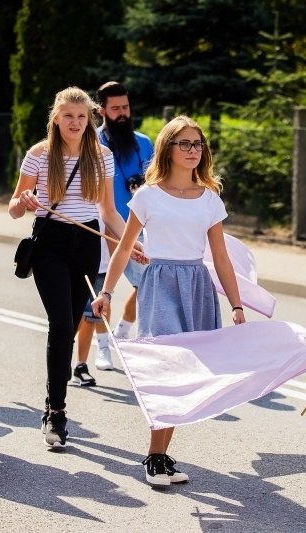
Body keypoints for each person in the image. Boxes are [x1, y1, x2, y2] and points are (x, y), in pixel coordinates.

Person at [91, 115, 247, 486]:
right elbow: (124, 247)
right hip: (159, 284)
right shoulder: (148, 195)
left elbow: (220, 257)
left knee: (185, 376)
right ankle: (155, 457)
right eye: (185, 144)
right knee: (166, 371)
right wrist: (107, 292)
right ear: (168, 149)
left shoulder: (209, 198)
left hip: (196, 286)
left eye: (198, 144)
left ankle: (159, 456)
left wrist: (237, 305)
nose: (193, 150)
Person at [8, 86, 142, 449]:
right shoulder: (39, 154)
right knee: (62, 325)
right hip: (49, 243)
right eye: (68, 115)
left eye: (82, 116)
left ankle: (53, 399)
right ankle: (57, 412)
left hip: (86, 244)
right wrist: (25, 200)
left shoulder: (102, 156)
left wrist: (131, 244)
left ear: (90, 119)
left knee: (68, 329)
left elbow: (108, 211)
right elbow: (14, 208)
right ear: (56, 118)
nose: (75, 122)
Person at [95, 82, 154, 356]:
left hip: (141, 225)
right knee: (103, 287)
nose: (122, 114)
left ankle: (121, 331)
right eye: (115, 108)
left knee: (147, 285)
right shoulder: (92, 142)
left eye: (126, 107)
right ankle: (102, 347)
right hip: (104, 225)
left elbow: (156, 179)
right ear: (101, 111)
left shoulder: (144, 142)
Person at [72, 220, 112, 386]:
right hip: (71, 266)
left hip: (100, 267)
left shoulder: (105, 205)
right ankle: (61, 358)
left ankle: (80, 366)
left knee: (91, 316)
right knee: (72, 317)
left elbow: (110, 228)